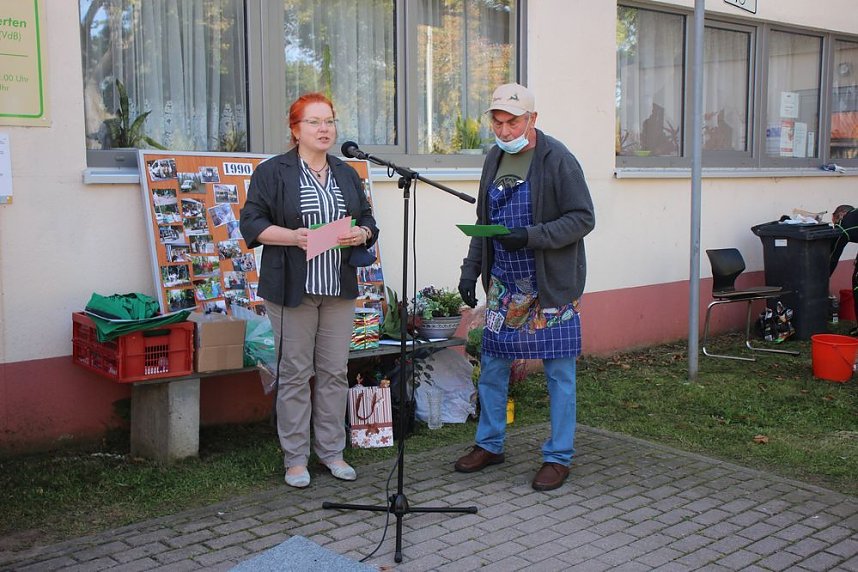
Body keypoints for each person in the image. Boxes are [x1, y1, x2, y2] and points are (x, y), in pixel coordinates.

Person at [455, 83, 595, 491]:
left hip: (550, 285)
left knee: (559, 373)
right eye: (496, 122)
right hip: (504, 285)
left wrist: (530, 235)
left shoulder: (558, 160)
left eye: (512, 122)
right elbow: (483, 224)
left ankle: (558, 456)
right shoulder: (494, 158)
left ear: (533, 119)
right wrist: (470, 271)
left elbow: (582, 218)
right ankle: (490, 443)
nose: (503, 130)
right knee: (493, 367)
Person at [240, 92, 379, 488]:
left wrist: (362, 233)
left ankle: (332, 452)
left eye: (329, 121)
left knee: (334, 372)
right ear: (295, 129)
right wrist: (293, 237)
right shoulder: (273, 172)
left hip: (338, 287)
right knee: (296, 373)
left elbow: (368, 218)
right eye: (315, 122)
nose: (324, 129)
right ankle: (296, 458)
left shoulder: (346, 172)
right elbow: (251, 223)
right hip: (292, 288)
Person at [829, 204, 858, 336]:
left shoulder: (844, 224)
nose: (836, 225)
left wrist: (824, 277)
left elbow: (834, 254)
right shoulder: (855, 215)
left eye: (835, 220)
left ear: (841, 214)